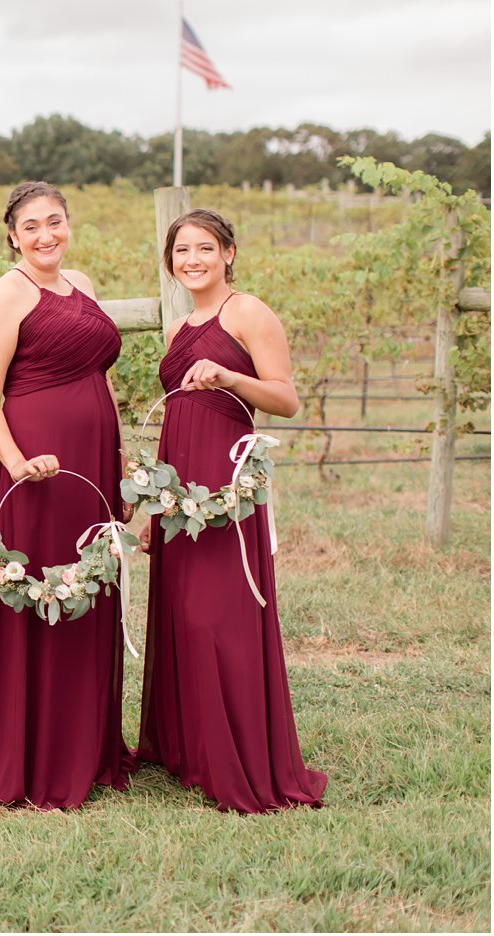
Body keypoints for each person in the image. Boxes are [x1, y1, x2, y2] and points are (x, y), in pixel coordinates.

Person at [136, 209, 327, 813]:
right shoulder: (178, 328)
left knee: (218, 617)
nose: (192, 260)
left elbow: (287, 399)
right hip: (179, 487)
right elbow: (173, 416)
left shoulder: (246, 312)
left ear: (228, 253)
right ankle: (191, 749)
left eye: (204, 248)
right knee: (181, 614)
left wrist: (229, 377)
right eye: (181, 251)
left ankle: (240, 756)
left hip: (226, 484)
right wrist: (151, 505)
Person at [0, 182, 135, 810]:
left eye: (54, 222)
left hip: (92, 462)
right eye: (31, 226)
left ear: (69, 224)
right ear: (13, 235)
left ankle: (85, 747)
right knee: (41, 588)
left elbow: (98, 377)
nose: (45, 236)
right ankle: (29, 754)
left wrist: (118, 466)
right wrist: (14, 464)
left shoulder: (83, 284)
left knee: (88, 587)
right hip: (35, 463)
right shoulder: (7, 293)